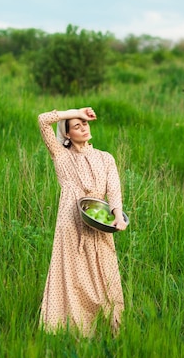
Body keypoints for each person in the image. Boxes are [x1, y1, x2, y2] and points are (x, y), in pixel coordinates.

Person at [37, 107, 127, 337]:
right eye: (76, 126)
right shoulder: (60, 155)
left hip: (99, 219)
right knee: (74, 275)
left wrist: (118, 216)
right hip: (70, 222)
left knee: (104, 273)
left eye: (84, 124)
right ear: (67, 134)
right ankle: (73, 327)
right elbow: (42, 120)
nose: (83, 128)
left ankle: (108, 325)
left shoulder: (105, 158)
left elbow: (114, 191)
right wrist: (75, 111)